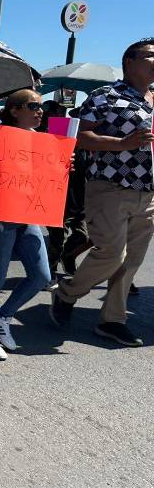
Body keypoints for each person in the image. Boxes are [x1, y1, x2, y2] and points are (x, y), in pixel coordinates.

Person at [51, 38, 154, 346]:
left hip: (148, 192)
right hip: (109, 187)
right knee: (111, 253)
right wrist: (122, 144)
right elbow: (78, 135)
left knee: (131, 261)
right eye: (151, 55)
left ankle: (112, 320)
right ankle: (67, 293)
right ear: (130, 63)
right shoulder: (106, 96)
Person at [0, 89, 53, 359]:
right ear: (14, 110)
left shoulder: (41, 140)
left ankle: (2, 316)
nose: (39, 111)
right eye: (32, 105)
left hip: (27, 213)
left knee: (41, 276)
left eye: (40, 106)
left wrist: (62, 166)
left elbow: (45, 178)